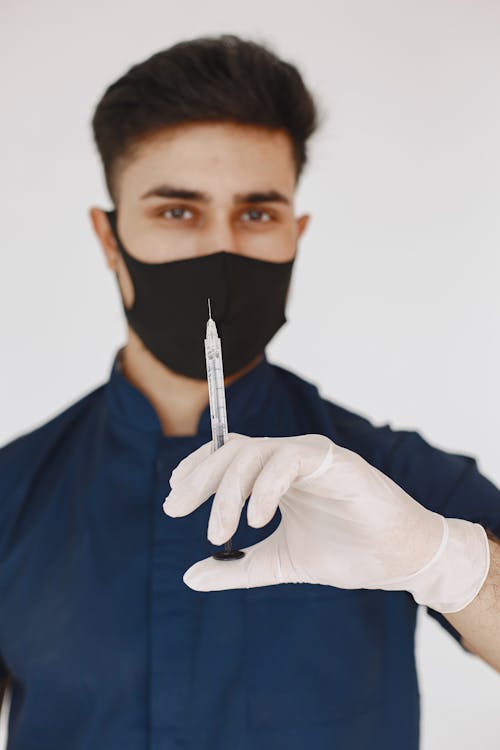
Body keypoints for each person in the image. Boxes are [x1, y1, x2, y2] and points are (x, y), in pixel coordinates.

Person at [0, 33, 498, 750]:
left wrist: (443, 560)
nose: (220, 251)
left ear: (297, 233)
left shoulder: (390, 479)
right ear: (109, 240)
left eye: (257, 214)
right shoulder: (15, 492)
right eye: (178, 211)